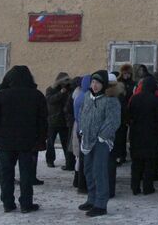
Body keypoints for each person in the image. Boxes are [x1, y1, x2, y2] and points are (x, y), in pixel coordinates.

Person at [0, 66, 47, 213]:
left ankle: (8, 203)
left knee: (6, 173)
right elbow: (43, 120)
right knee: (26, 174)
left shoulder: (0, 96)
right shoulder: (37, 96)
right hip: (28, 142)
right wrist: (42, 139)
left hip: (5, 142)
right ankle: (26, 204)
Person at [78, 70, 121, 217]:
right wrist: (82, 130)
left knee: (99, 171)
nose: (95, 85)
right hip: (87, 139)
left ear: (104, 85)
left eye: (98, 83)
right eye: (93, 82)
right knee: (87, 170)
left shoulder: (110, 100)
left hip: (101, 141)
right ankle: (92, 198)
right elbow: (82, 114)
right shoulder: (87, 98)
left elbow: (113, 121)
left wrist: (102, 137)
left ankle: (101, 204)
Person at [129, 76, 158, 196]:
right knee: (149, 162)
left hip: (136, 133)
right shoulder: (155, 100)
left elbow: (129, 116)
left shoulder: (134, 98)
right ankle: (148, 187)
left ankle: (135, 186)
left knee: (136, 162)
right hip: (151, 134)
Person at [45, 72, 76, 170]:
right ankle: (50, 160)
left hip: (63, 121)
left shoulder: (69, 90)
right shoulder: (51, 89)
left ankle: (68, 162)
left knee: (66, 143)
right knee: (50, 142)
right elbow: (50, 100)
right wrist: (60, 93)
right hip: (53, 120)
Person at [115, 64, 135, 165]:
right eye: (125, 73)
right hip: (120, 111)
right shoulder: (119, 83)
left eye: (128, 73)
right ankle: (120, 155)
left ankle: (123, 154)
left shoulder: (132, 83)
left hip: (128, 110)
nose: (126, 75)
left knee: (125, 135)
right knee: (120, 136)